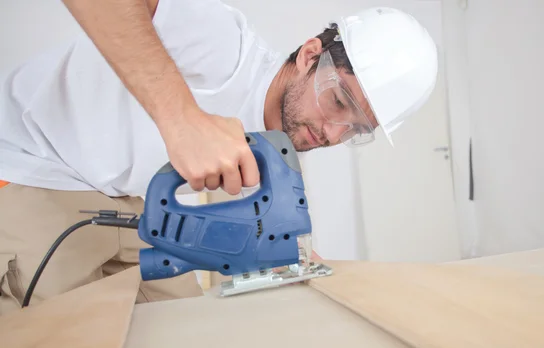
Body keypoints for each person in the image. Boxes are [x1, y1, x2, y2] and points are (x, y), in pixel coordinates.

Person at [0, 0, 438, 314]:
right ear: (309, 56)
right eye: (339, 102)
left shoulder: (279, 144)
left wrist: (302, 257)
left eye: (356, 129)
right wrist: (181, 117)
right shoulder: (223, 44)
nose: (332, 134)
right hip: (33, 166)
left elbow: (281, 232)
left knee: (187, 336)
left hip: (126, 202)